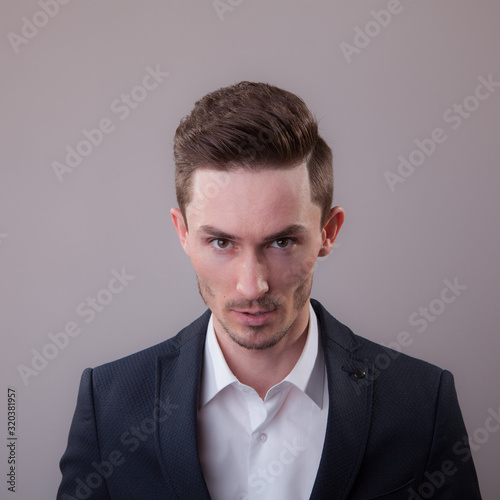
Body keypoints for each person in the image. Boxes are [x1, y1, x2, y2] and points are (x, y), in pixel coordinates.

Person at [58, 82, 482, 500]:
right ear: (182, 233)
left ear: (328, 232)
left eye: (281, 242)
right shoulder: (108, 405)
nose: (252, 285)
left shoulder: (421, 403)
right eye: (222, 242)